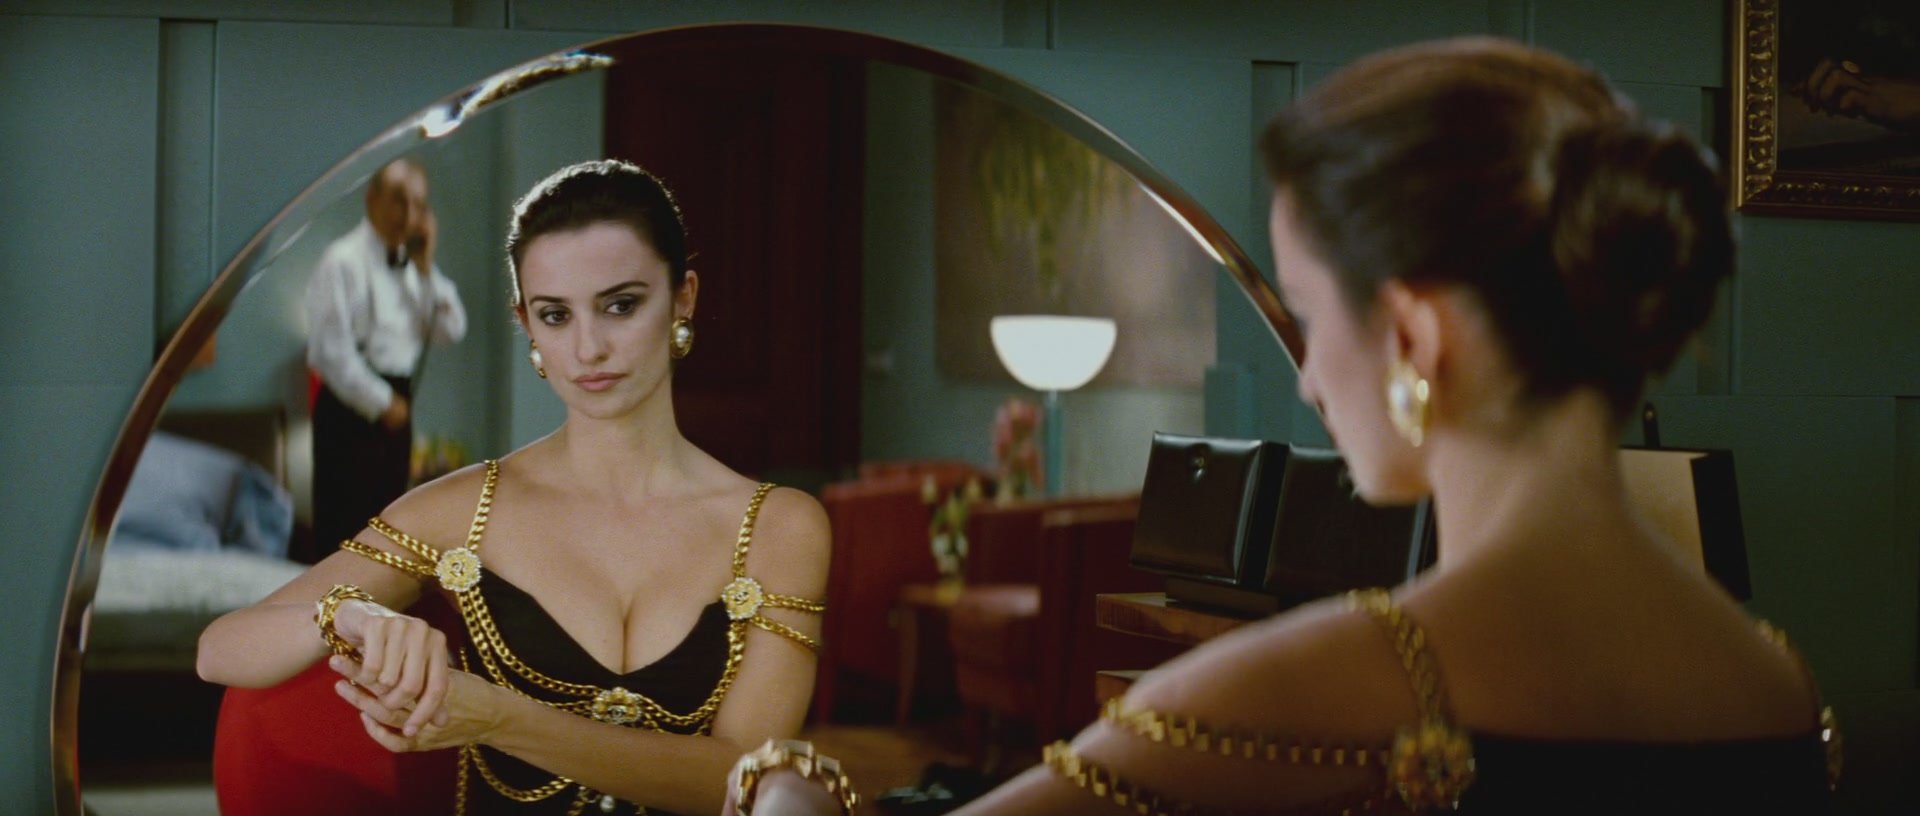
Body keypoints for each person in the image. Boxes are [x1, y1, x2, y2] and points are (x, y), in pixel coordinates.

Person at [728, 37, 1838, 814]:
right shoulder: (1771, 678)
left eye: (1308, 315)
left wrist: (782, 781)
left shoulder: (1335, 679)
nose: (1309, 382)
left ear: (1414, 336)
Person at [202, 159, 831, 816]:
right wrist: (351, 614)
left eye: (621, 305)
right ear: (526, 323)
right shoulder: (465, 508)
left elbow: (739, 778)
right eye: (555, 315)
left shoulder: (780, 527)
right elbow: (221, 648)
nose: (588, 348)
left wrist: (499, 717)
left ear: (683, 298)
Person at [306, 157, 469, 558]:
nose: (408, 214)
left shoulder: (417, 270)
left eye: (418, 204)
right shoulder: (341, 261)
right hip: (350, 409)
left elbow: (452, 329)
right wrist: (382, 403)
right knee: (343, 533)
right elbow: (330, 352)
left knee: (391, 529)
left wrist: (427, 269)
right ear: (372, 199)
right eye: (399, 200)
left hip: (399, 404)